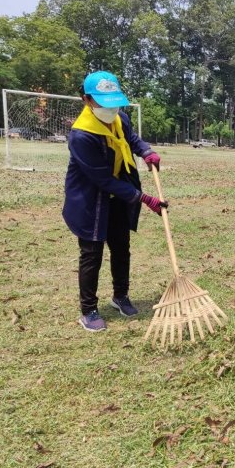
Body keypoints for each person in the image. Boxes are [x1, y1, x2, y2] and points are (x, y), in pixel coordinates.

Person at [63, 71, 164, 332]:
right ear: (87, 100)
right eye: (103, 103)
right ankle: (89, 310)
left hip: (119, 196)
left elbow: (130, 138)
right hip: (90, 200)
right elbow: (102, 180)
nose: (110, 109)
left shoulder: (120, 117)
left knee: (121, 247)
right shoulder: (81, 136)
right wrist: (143, 198)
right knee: (92, 254)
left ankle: (121, 296)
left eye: (113, 103)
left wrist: (146, 151)